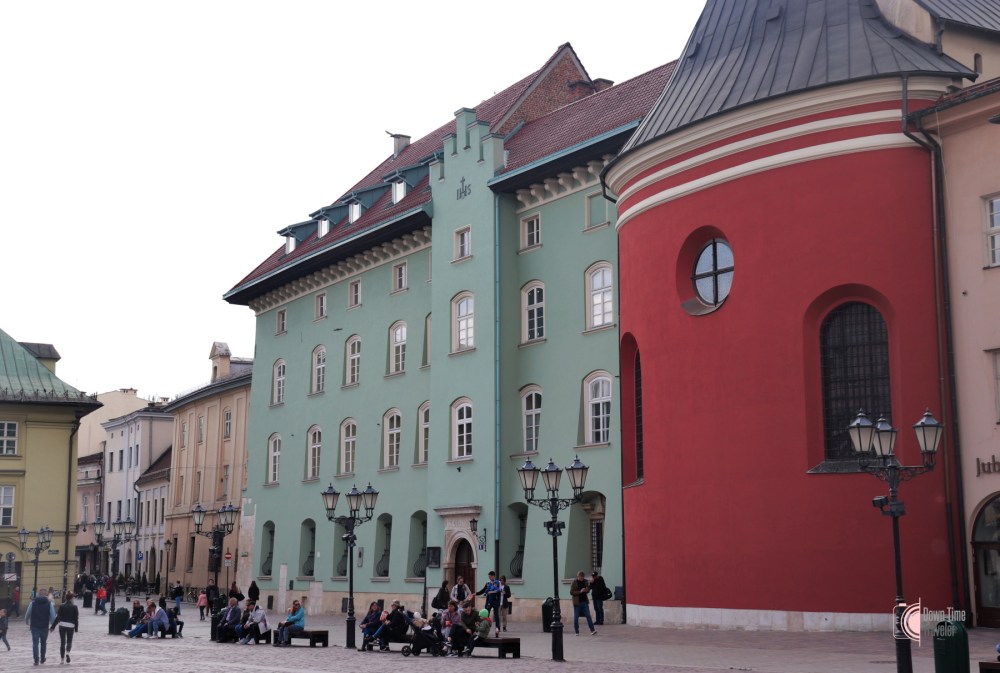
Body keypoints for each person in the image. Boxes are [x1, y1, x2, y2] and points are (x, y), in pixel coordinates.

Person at [25, 588, 56, 665]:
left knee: (35, 643)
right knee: (43, 643)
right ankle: (42, 658)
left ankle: (36, 660)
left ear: (38, 594)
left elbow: (27, 614)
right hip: (44, 626)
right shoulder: (50, 604)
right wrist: (53, 625)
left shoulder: (33, 603)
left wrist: (26, 622)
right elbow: (53, 616)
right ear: (46, 594)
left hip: (34, 626)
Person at [51, 591, 79, 663]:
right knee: (69, 641)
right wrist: (76, 628)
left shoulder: (62, 606)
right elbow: (76, 618)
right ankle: (67, 652)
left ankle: (62, 659)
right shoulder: (74, 607)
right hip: (71, 625)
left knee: (62, 642)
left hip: (62, 625)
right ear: (72, 598)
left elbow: (58, 617)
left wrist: (53, 626)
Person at [570, 570, 597, 636]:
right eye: (580, 577)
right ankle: (577, 631)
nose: (581, 578)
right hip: (577, 603)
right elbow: (571, 592)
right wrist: (579, 592)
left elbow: (588, 589)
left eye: (582, 577)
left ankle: (592, 630)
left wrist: (586, 590)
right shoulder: (574, 582)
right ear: (578, 576)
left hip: (584, 602)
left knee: (588, 616)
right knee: (576, 617)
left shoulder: (585, 581)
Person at [475, 571, 502, 636]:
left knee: (496, 615)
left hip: (495, 601)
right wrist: (476, 593)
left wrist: (491, 592)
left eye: (490, 576)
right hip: (489, 601)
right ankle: (484, 628)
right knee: (485, 615)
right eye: (489, 576)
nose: (489, 578)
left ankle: (497, 628)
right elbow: (484, 590)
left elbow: (499, 591)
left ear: (493, 576)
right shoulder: (488, 583)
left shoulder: (498, 582)